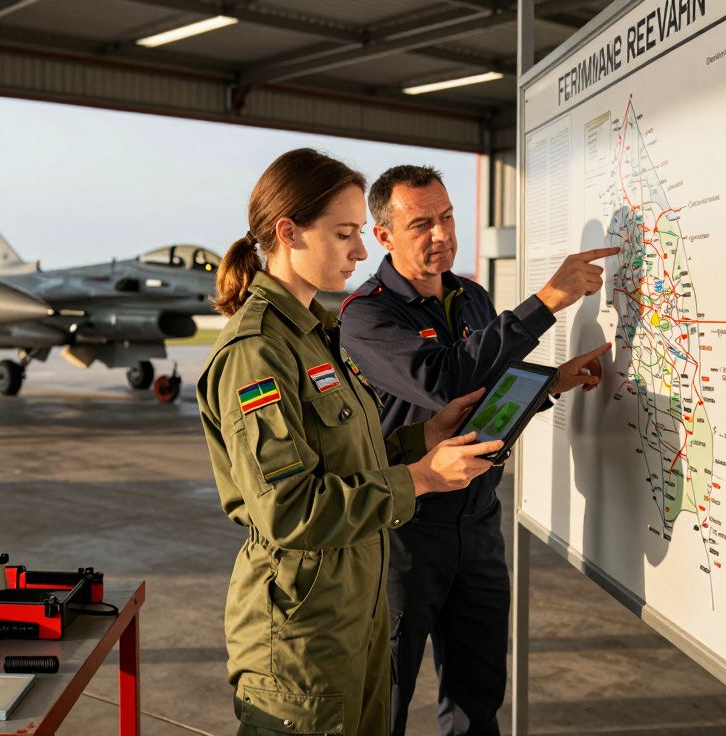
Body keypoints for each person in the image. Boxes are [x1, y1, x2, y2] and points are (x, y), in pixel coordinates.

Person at [196, 149, 506, 735]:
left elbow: (350, 457)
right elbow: (288, 508)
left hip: (351, 614)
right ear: (288, 233)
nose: (361, 252)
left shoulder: (317, 336)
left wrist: (423, 438)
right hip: (301, 634)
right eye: (344, 234)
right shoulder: (257, 353)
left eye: (360, 233)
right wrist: (422, 477)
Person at [338, 164, 616, 736]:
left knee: (478, 698)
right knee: (382, 701)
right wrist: (545, 302)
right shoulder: (366, 316)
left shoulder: (473, 299)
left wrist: (552, 383)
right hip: (404, 534)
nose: (440, 235)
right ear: (384, 236)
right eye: (421, 224)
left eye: (446, 218)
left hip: (479, 524)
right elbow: (442, 381)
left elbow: (490, 400)